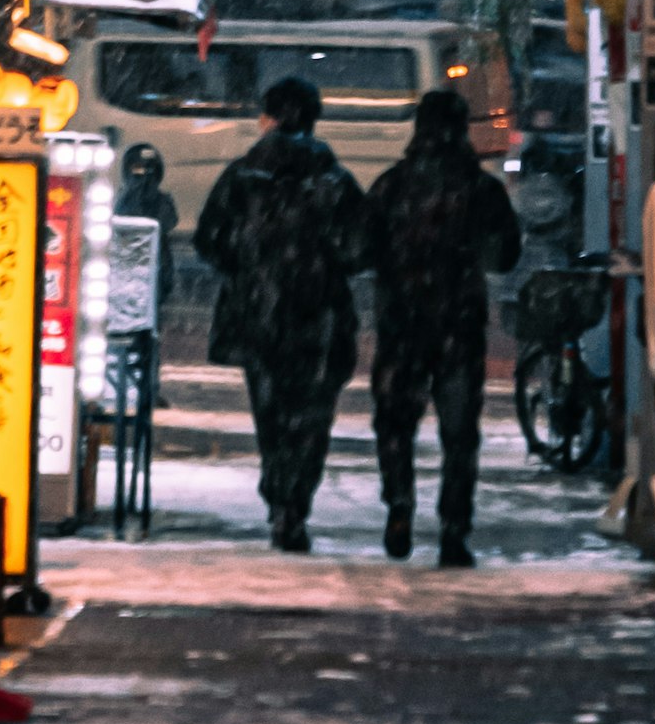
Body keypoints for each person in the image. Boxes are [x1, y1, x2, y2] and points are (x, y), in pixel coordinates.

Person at [194, 78, 369, 551]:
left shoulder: (242, 177)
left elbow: (208, 238)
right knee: (311, 418)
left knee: (270, 414)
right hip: (320, 317)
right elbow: (361, 249)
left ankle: (278, 497)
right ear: (314, 120)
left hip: (258, 316)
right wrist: (322, 262)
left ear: (267, 118)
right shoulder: (336, 181)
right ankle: (295, 506)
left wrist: (249, 268)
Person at [362, 83, 521, 566]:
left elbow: (362, 249)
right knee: (459, 433)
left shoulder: (391, 185)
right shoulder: (481, 188)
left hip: (401, 327)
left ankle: (400, 508)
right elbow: (505, 258)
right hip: (459, 328)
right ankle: (454, 529)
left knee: (394, 426)